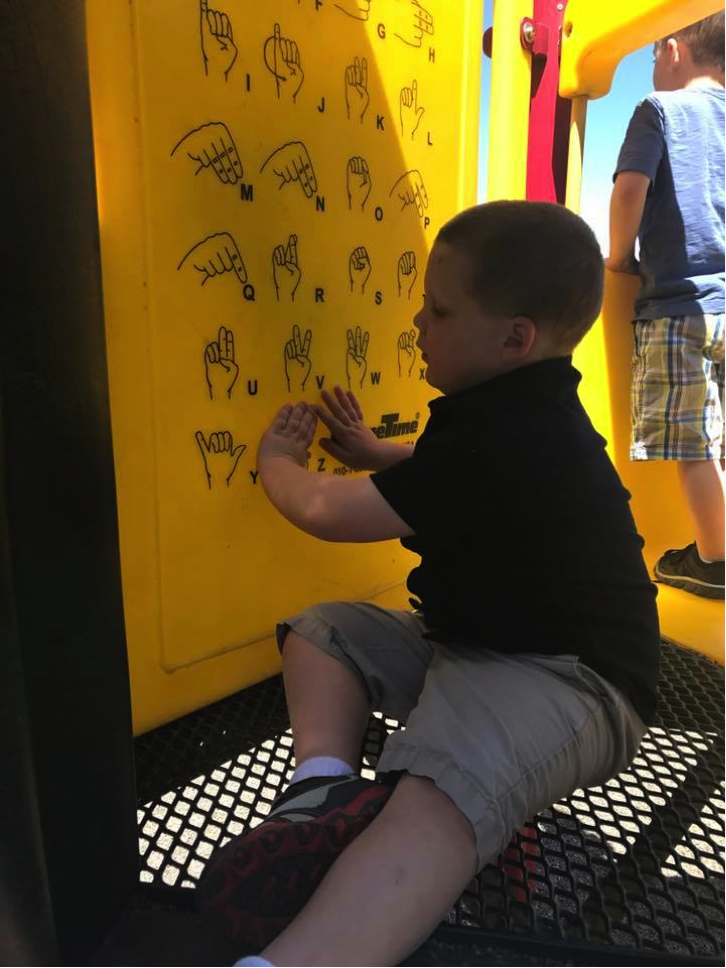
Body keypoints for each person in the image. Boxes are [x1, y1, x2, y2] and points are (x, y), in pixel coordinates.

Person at [197, 200, 661, 968]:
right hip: (477, 643)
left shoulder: (510, 432)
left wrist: (278, 462)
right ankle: (324, 792)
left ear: (514, 339)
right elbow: (454, 475)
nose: (417, 321)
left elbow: (322, 509)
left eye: (439, 311)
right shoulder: (513, 408)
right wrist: (379, 450)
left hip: (573, 681)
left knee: (439, 797)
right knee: (324, 636)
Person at [606, 11, 726, 600]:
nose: (653, 67)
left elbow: (630, 189)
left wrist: (618, 257)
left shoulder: (660, 109)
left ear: (674, 48)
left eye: (653, 55)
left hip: (682, 303)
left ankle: (714, 560)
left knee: (693, 441)